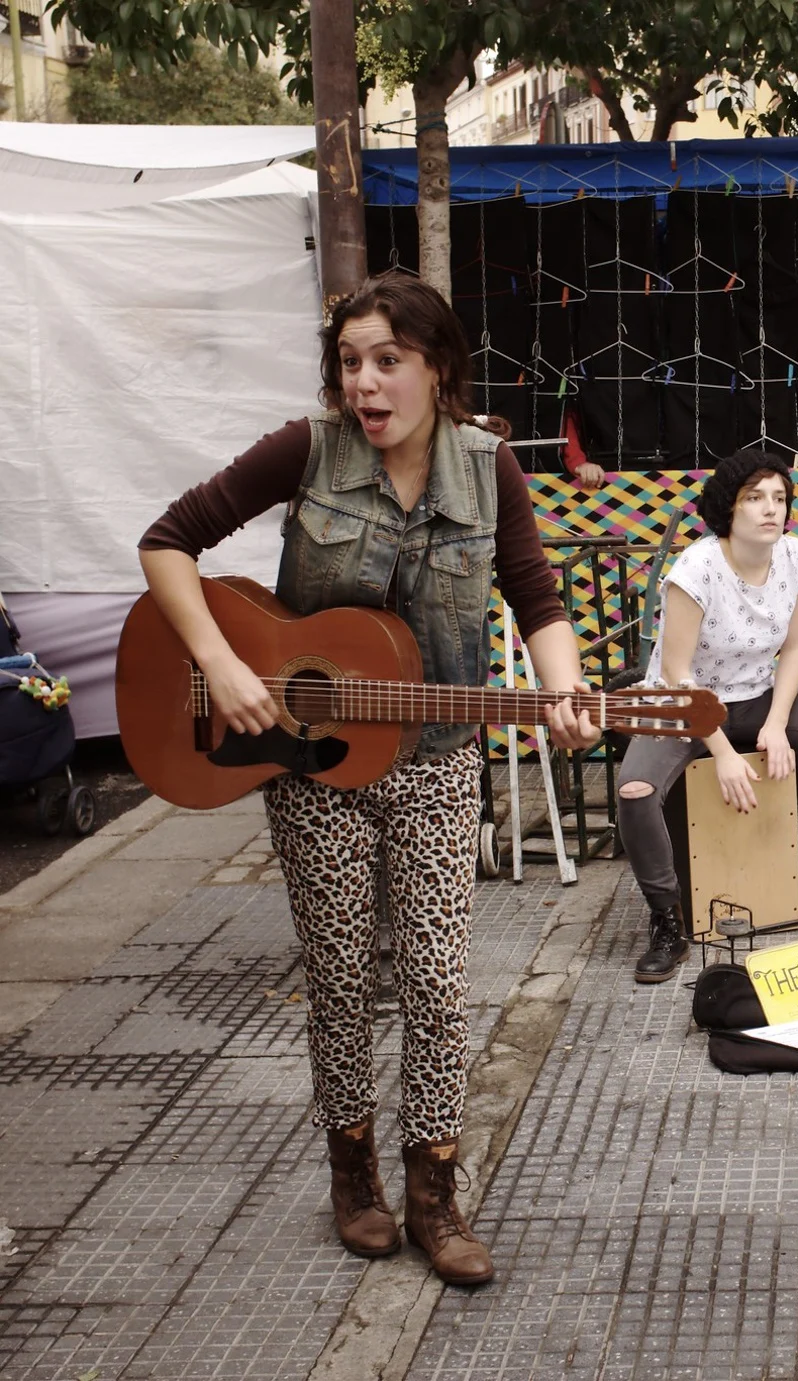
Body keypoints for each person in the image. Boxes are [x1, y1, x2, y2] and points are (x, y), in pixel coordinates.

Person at [138, 272, 600, 1286]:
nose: (365, 382)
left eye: (388, 359)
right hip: (314, 768)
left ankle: (436, 1188)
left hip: (436, 762)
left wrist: (564, 692)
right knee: (343, 978)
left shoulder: (490, 467)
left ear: (438, 366)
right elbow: (168, 542)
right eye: (350, 361)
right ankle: (353, 1176)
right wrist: (219, 660)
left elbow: (535, 595)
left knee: (436, 982)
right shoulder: (305, 451)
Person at [617, 449, 798, 982]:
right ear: (728, 508)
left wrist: (775, 723)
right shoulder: (697, 568)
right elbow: (675, 670)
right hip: (680, 705)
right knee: (635, 791)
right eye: (754, 498)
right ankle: (668, 919)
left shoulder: (797, 558)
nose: (771, 510)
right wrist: (720, 751)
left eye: (779, 498)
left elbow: (794, 650)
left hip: (757, 698)